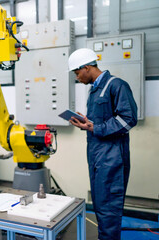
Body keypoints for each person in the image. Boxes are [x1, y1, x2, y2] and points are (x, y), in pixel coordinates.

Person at [67, 48, 137, 240]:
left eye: (77, 72)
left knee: (109, 206)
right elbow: (99, 123)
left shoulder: (116, 85)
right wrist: (86, 123)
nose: (77, 77)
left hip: (112, 157)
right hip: (97, 155)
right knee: (101, 204)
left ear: (87, 68)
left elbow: (128, 119)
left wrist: (94, 127)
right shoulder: (95, 89)